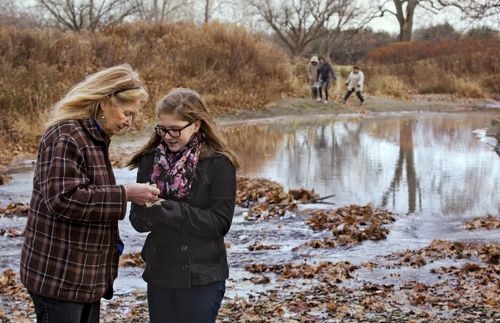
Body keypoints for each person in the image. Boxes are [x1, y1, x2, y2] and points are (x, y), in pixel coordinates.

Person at [20, 64, 161, 323]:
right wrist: (125, 194)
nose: (129, 122)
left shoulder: (92, 135)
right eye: (126, 113)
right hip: (59, 277)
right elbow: (63, 199)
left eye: (133, 116)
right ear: (106, 101)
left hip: (81, 277)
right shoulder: (67, 136)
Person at [127, 88, 239, 323]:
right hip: (160, 272)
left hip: (202, 275)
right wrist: (148, 211)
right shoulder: (149, 160)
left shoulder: (219, 163)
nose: (168, 136)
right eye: (163, 129)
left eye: (175, 129)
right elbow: (137, 223)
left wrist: (177, 213)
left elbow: (220, 223)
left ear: (196, 125)